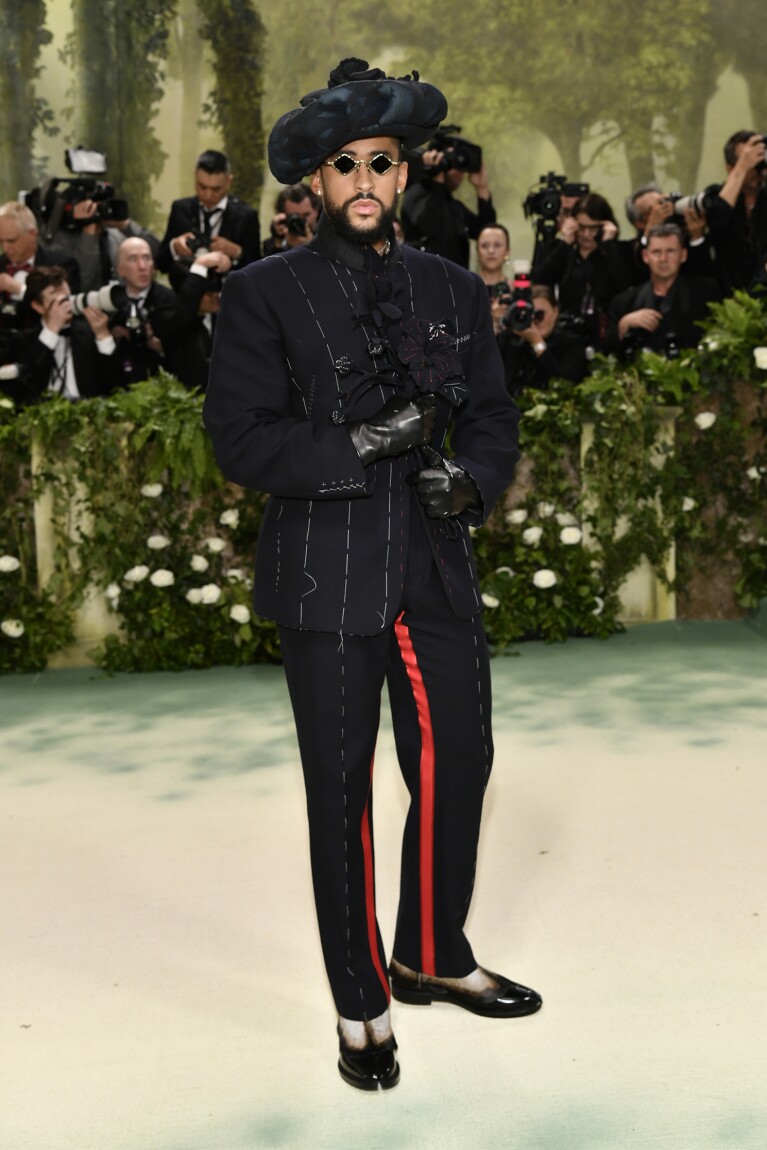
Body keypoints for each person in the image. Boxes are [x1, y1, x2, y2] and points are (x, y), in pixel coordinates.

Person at [204, 58, 542, 1093]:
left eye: (381, 163)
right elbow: (239, 440)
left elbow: (489, 414)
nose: (363, 180)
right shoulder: (262, 293)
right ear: (312, 179)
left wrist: (469, 482)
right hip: (325, 573)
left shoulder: (450, 284)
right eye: (343, 163)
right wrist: (359, 443)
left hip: (431, 563)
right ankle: (360, 1004)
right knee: (339, 794)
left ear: (404, 175)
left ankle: (429, 952)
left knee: (461, 759)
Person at [2, 266, 120, 405]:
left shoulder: (89, 332)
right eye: (54, 293)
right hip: (41, 417)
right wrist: (52, 330)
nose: (64, 299)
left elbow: (115, 384)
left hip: (88, 414)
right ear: (38, 306)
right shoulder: (23, 340)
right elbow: (28, 383)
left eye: (65, 291)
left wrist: (103, 335)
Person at [606, 223, 720, 359]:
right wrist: (623, 326)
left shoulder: (706, 293)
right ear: (645, 256)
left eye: (670, 251)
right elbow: (606, 353)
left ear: (683, 255)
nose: (663, 259)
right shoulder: (624, 303)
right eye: (656, 252)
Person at [534, 191, 630, 349]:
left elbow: (623, 283)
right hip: (569, 336)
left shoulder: (616, 251)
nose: (586, 235)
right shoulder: (566, 253)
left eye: (593, 228)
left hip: (606, 333)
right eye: (582, 227)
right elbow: (540, 281)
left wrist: (608, 245)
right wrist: (565, 242)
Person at [157, 150, 261, 290]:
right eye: (202, 187)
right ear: (195, 176)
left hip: (227, 299)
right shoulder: (180, 209)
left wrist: (237, 253)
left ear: (228, 181)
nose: (208, 195)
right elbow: (161, 264)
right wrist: (174, 247)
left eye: (216, 189)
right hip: (186, 299)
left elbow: (258, 271)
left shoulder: (246, 216)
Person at [400, 133, 496, 266]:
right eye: (455, 162)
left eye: (463, 165)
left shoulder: (453, 205)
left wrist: (482, 188)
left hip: (456, 283)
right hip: (425, 281)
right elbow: (432, 228)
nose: (460, 172)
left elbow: (488, 233)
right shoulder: (416, 193)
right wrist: (436, 177)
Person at [110, 237, 180, 386]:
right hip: (119, 385)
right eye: (133, 259)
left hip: (161, 384)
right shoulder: (110, 302)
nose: (142, 266)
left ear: (153, 266)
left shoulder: (169, 300)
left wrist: (152, 341)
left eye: (146, 258)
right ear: (120, 270)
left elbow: (182, 352)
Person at [497, 284, 588, 397]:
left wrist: (537, 343)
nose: (534, 322)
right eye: (528, 315)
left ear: (555, 312)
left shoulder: (571, 343)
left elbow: (565, 385)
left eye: (539, 315)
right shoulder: (510, 341)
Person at [705, 130, 767, 294]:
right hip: (728, 299)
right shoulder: (716, 195)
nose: (756, 168)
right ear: (730, 168)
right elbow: (718, 218)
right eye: (748, 160)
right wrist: (743, 166)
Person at [263, 183, 321, 255]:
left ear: (316, 210)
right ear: (283, 216)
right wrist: (278, 242)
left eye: (306, 215)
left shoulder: (331, 240)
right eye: (294, 216)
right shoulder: (273, 245)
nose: (300, 221)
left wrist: (311, 247)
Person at [475, 223, 512, 334]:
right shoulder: (466, 289)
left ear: (507, 251)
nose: (491, 251)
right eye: (485, 246)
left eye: (497, 245)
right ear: (477, 251)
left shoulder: (517, 290)